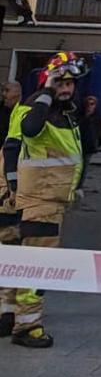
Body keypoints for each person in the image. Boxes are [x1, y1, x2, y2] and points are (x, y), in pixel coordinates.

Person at [3, 53, 87, 348]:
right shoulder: (40, 107)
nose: (66, 88)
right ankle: (27, 326)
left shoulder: (66, 112)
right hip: (41, 198)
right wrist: (47, 92)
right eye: (61, 82)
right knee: (37, 265)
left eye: (70, 83)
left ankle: (9, 314)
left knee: (20, 259)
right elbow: (27, 132)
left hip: (51, 198)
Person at [0, 81, 24, 335]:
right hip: (7, 196)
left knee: (9, 253)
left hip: (8, 201)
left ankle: (7, 310)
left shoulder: (18, 115)